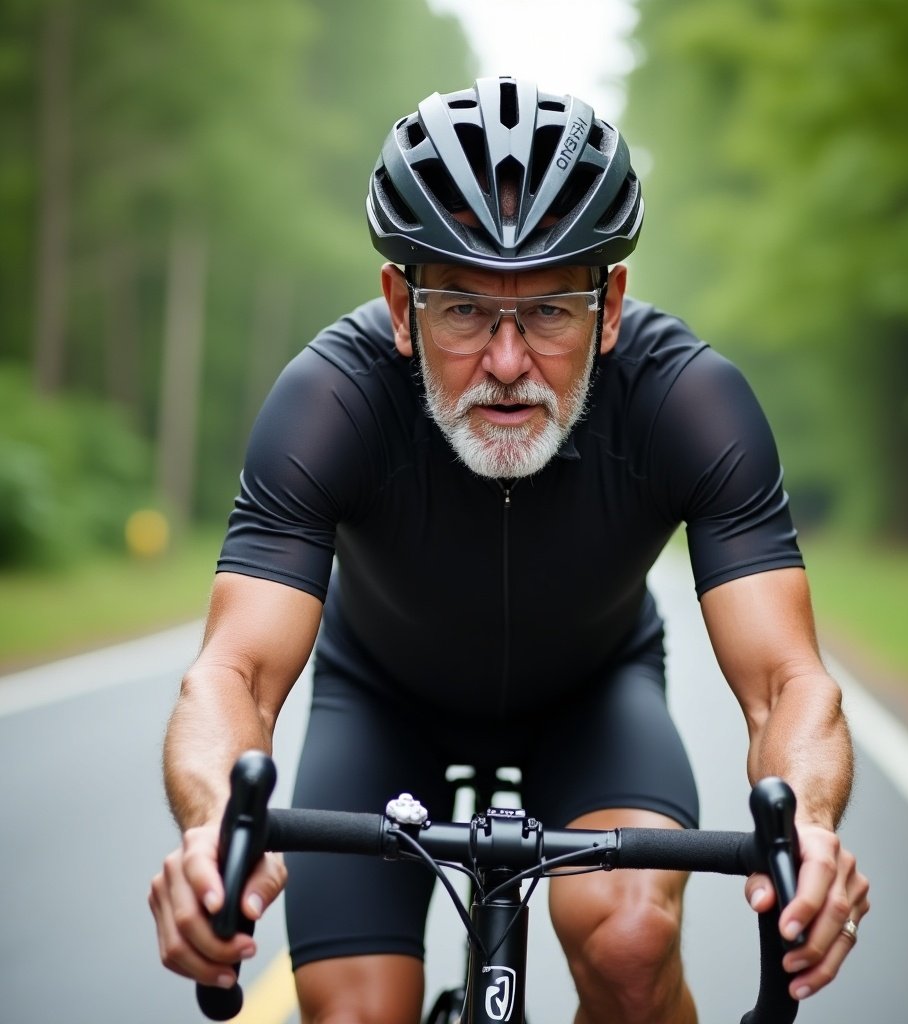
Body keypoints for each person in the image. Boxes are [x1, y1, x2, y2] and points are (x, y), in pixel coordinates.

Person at [149, 76, 869, 1024]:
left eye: (548, 312)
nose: (504, 360)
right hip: (382, 702)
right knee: (357, 1015)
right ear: (400, 308)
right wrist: (210, 832)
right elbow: (229, 675)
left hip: (591, 698)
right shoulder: (328, 402)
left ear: (609, 305)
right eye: (461, 309)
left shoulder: (688, 403)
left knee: (631, 940)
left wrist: (809, 832)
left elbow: (788, 683)